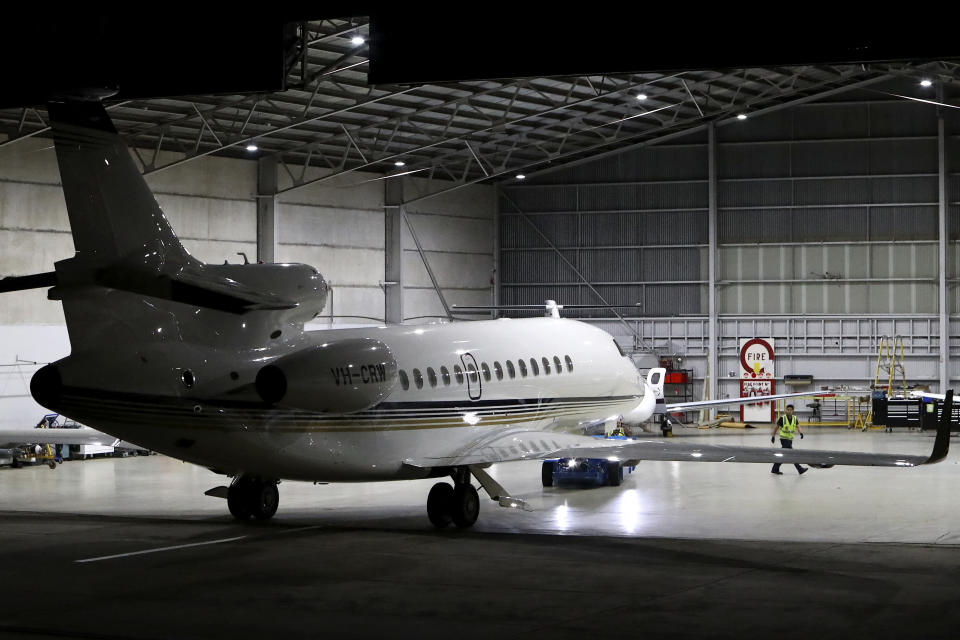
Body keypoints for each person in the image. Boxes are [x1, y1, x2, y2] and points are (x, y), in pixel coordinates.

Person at [770, 404, 807, 475]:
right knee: (792, 454)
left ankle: (775, 469)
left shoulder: (794, 418)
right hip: (784, 439)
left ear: (793, 411)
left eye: (790, 410)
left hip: (790, 440)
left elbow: (798, 426)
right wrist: (773, 436)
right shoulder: (782, 418)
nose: (788, 411)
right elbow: (776, 427)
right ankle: (800, 469)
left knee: (784, 454)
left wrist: (801, 432)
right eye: (787, 409)